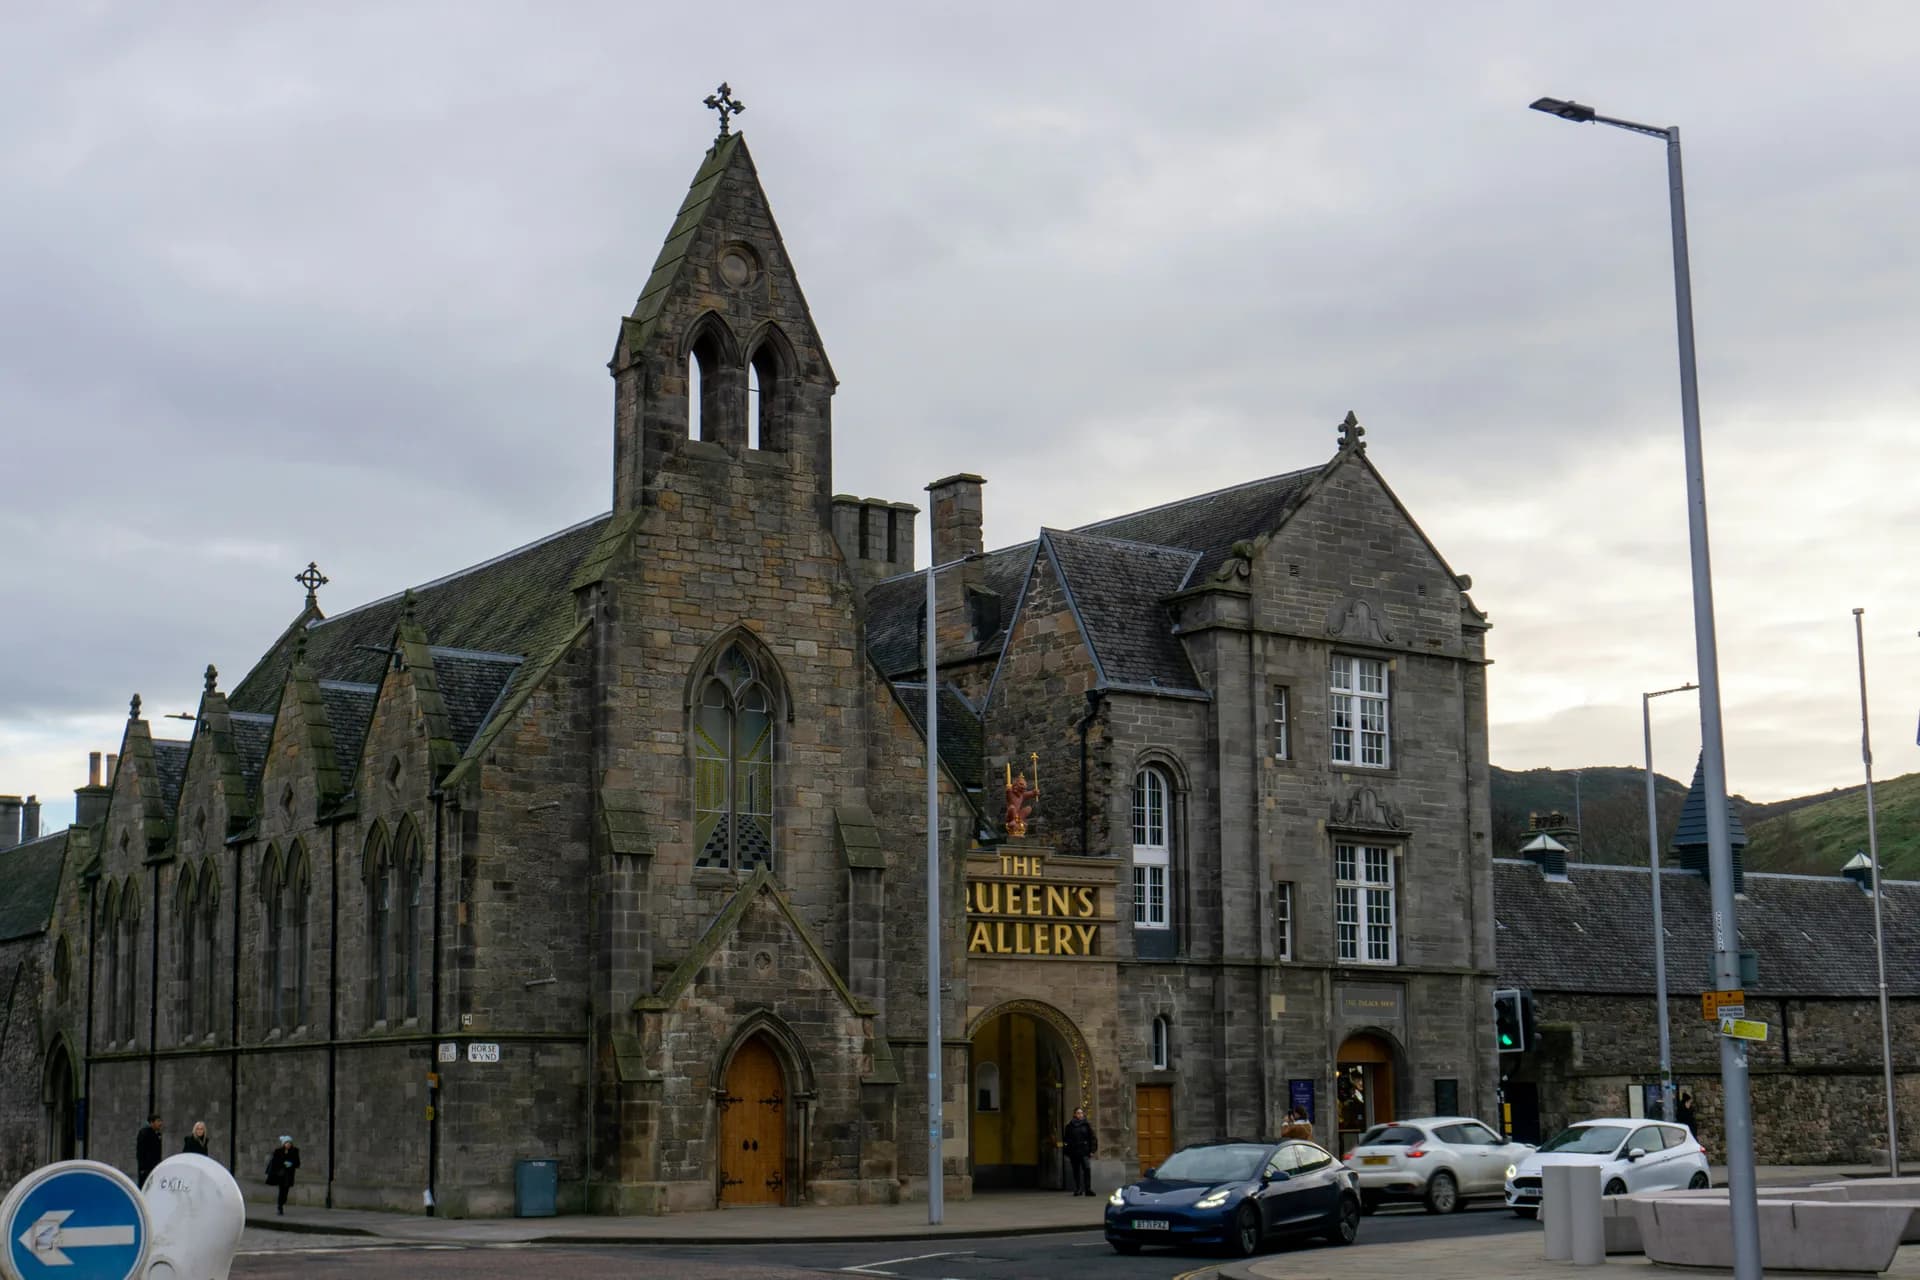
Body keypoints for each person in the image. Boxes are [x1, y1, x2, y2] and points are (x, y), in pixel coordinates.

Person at [1062, 1106, 1097, 1197]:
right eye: (1078, 1113)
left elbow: (1092, 1138)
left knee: (1087, 1169)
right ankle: (1078, 1189)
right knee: (1076, 1170)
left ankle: (1088, 1189)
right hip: (1074, 1152)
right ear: (1074, 1114)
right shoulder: (1069, 1126)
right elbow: (1066, 1140)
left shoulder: (1086, 1125)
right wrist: (1067, 1151)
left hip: (1084, 1151)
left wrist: (1092, 1150)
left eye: (1081, 1113)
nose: (1080, 1115)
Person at [265, 1135, 301, 1215]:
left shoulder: (295, 1151)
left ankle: (282, 1202)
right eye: (286, 1143)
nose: (288, 1144)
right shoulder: (278, 1151)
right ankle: (280, 1207)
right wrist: (283, 1163)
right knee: (282, 1190)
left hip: (289, 1175)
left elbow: (297, 1163)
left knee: (285, 1191)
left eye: (289, 1143)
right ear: (283, 1144)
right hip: (280, 1174)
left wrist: (291, 1164)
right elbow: (275, 1162)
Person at [136, 1114, 164, 1185]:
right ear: (152, 1123)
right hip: (146, 1168)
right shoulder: (144, 1133)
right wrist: (142, 1168)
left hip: (155, 1166)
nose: (160, 1123)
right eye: (158, 1121)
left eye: (161, 1121)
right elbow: (140, 1151)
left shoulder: (158, 1134)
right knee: (144, 1185)